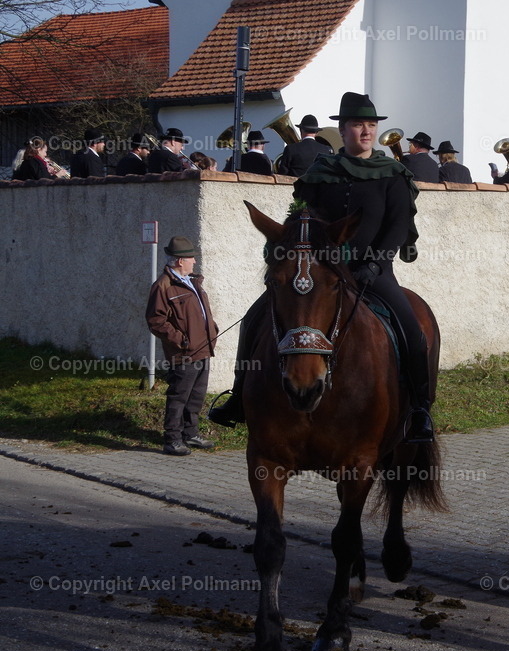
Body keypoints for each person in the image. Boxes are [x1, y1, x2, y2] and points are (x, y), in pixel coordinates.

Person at [209, 92, 434, 444]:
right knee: (256, 318)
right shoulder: (319, 173)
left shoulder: (394, 174)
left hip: (373, 275)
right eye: (358, 125)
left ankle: (420, 409)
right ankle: (239, 397)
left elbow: (396, 229)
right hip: (320, 274)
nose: (366, 131)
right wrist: (281, 245)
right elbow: (299, 217)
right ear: (342, 130)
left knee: (414, 332)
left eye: (371, 125)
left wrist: (374, 267)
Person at [146, 236, 219, 456]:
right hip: (184, 353)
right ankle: (172, 440)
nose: (194, 262)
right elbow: (156, 321)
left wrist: (212, 329)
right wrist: (182, 340)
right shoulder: (163, 286)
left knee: (196, 395)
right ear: (179, 261)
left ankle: (191, 434)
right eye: (190, 258)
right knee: (179, 396)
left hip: (203, 349)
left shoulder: (193, 282)